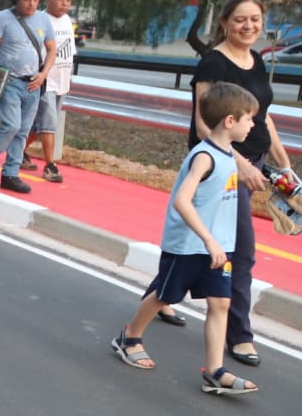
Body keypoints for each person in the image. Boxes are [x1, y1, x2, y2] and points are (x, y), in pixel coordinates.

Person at [111, 81, 259, 395]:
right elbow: (182, 200)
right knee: (165, 295)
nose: (253, 123)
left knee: (220, 303)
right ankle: (130, 336)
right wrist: (208, 239)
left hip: (219, 248)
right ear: (229, 121)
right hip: (191, 245)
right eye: (249, 118)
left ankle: (215, 370)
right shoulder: (205, 156)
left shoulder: (229, 153)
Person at [190, 0, 294, 370]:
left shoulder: (255, 62)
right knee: (242, 252)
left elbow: (263, 116)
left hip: (255, 161)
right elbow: (204, 125)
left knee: (192, 244)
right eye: (240, 20)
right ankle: (240, 334)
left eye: (255, 19)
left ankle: (162, 297)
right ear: (224, 23)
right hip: (219, 169)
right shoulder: (212, 64)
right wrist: (240, 166)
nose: (249, 26)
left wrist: (283, 165)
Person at [0, 0, 55, 194]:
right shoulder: (3, 18)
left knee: (22, 131)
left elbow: (51, 49)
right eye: (26, 0)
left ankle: (10, 174)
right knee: (11, 125)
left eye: (35, 0)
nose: (31, 4)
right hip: (10, 81)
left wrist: (43, 74)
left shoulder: (43, 19)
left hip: (33, 83)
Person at [22, 0, 76, 183]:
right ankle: (50, 165)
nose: (65, 4)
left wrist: (69, 76)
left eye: (69, 1)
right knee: (49, 124)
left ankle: (17, 151)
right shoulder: (41, 20)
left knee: (38, 127)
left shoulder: (68, 21)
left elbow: (69, 51)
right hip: (46, 81)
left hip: (61, 80)